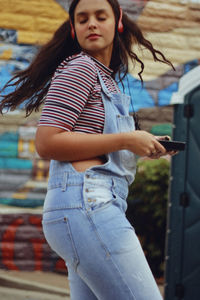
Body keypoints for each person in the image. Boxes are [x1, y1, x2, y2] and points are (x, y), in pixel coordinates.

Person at [0, 0, 176, 299]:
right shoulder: (80, 68)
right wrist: (125, 139)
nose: (91, 23)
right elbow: (47, 141)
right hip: (86, 205)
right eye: (82, 19)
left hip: (89, 206)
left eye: (100, 16)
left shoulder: (105, 79)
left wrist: (139, 146)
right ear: (74, 29)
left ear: (117, 22)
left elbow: (93, 145)